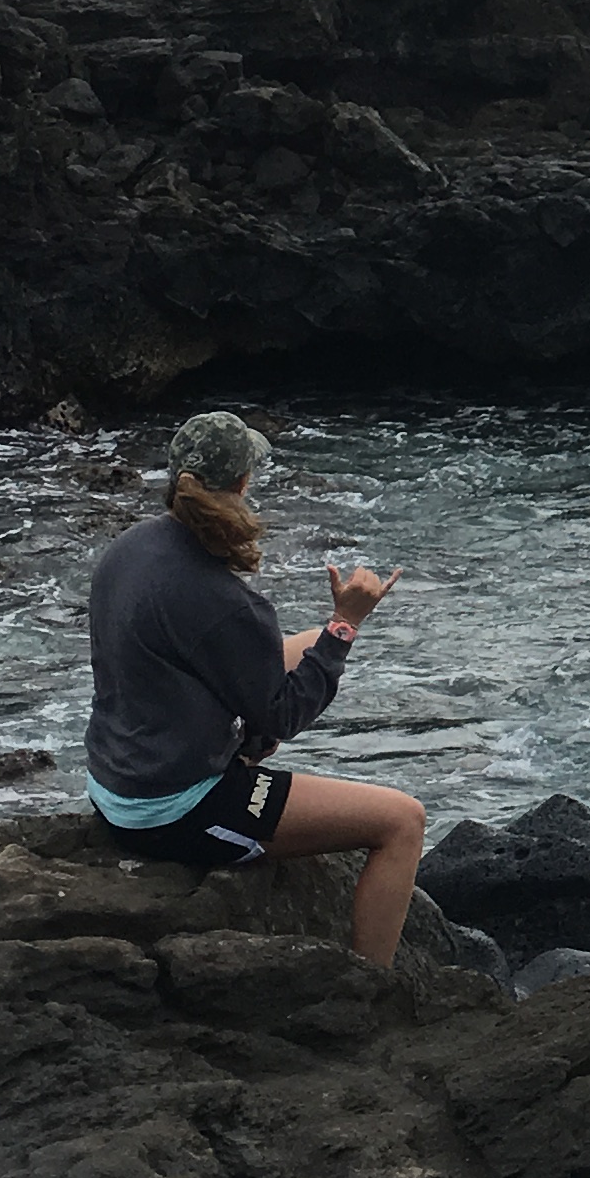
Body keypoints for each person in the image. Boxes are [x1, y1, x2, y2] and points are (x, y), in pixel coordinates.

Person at [84, 408, 428, 965]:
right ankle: (373, 985)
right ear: (243, 484)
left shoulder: (129, 549)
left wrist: (250, 736)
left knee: (308, 643)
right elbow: (284, 716)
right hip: (171, 810)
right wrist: (346, 625)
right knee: (402, 821)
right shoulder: (226, 603)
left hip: (115, 777)